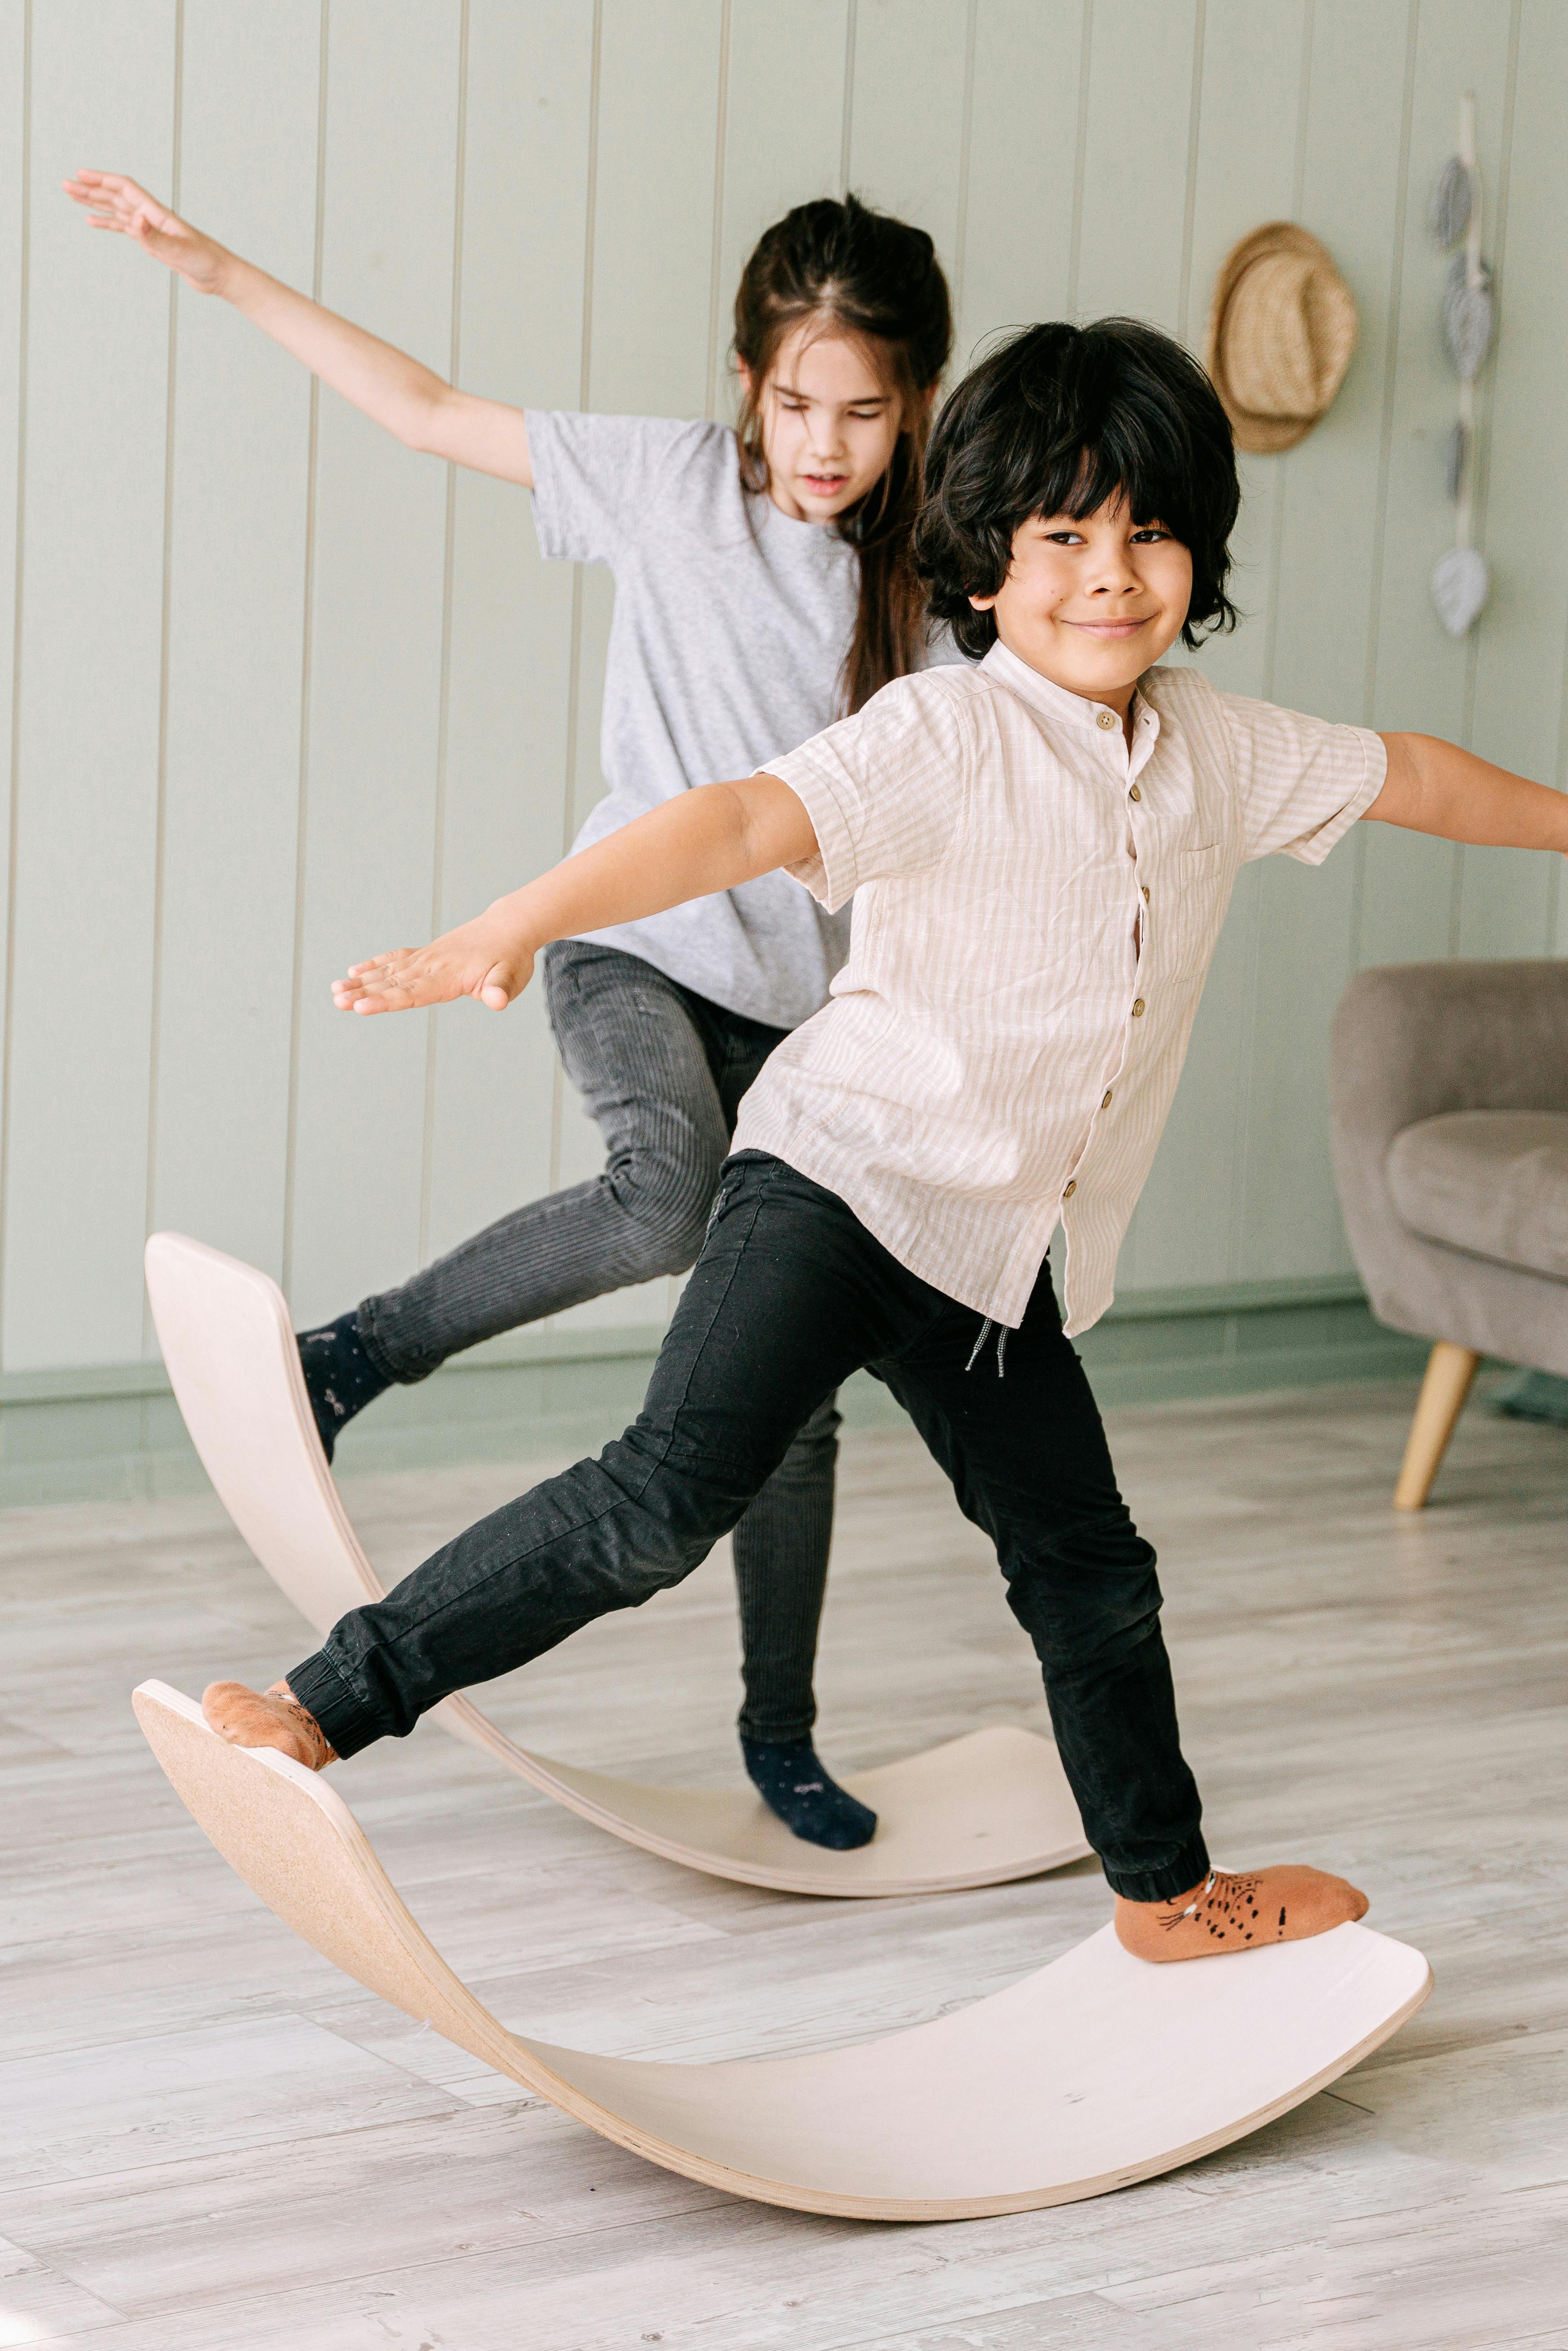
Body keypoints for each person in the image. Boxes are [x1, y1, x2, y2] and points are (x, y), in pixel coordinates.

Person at [186, 312, 1564, 1962]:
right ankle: (318, 1703)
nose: (1110, 574)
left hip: (991, 1254)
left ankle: (1167, 1895)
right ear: (986, 565)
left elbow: (1414, 772)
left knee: (1089, 1571)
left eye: (1147, 531)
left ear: (1197, 553)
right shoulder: (942, 733)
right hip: (836, 1189)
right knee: (660, 1503)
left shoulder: (1220, 746)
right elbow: (742, 819)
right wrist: (518, 919)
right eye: (1063, 535)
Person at [66, 169, 961, 1851]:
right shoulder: (670, 483)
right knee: (662, 1190)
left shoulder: (927, 575)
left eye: (864, 410)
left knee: (793, 1382)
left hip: (801, 1017)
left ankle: (781, 1729)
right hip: (620, 940)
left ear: (914, 404)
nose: (823, 444)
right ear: (746, 384)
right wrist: (220, 267)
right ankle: (357, 1354)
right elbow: (419, 410)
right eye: (794, 404)